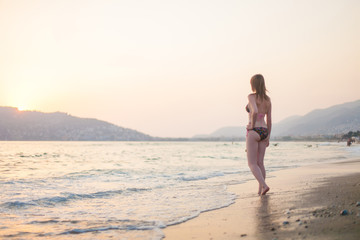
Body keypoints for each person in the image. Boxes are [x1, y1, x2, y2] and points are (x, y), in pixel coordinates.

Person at [245, 74, 272, 195]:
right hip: (264, 131)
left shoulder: (251, 97)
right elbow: (269, 120)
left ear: (253, 84)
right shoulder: (268, 100)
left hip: (254, 131)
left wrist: (251, 125)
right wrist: (268, 137)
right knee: (260, 162)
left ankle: (264, 185)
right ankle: (261, 189)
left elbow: (255, 111)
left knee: (252, 163)